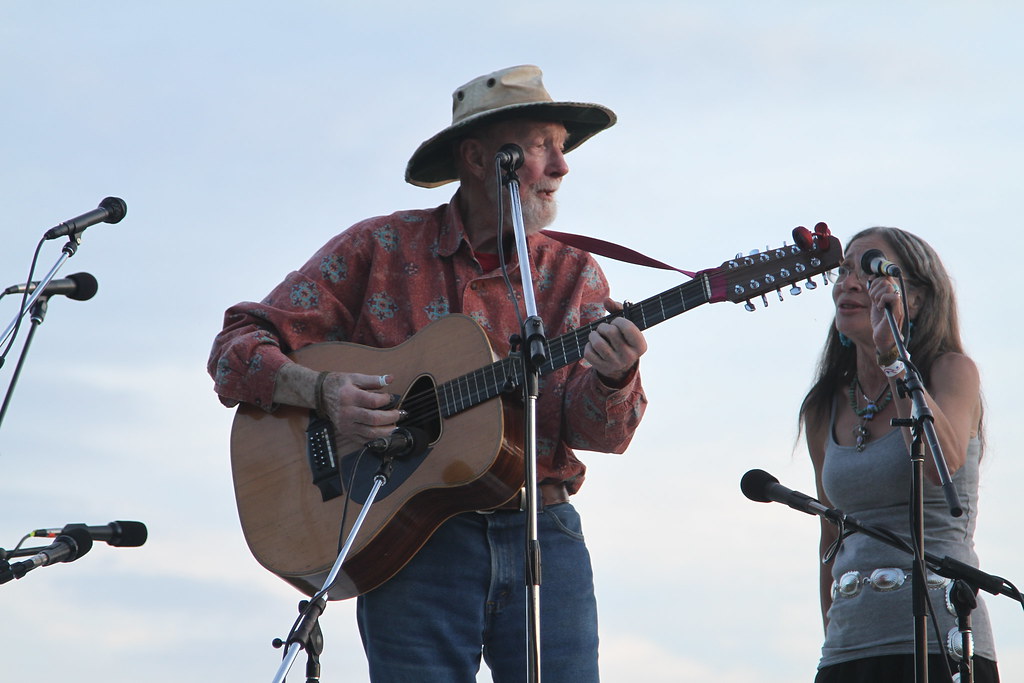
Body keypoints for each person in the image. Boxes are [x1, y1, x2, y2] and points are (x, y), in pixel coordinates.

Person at [208, 64, 648, 682]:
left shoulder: (576, 275)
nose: (561, 166)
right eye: (541, 146)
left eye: (563, 147)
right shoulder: (380, 248)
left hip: (541, 533)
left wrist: (613, 376)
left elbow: (601, 433)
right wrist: (323, 391)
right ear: (476, 157)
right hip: (410, 545)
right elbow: (236, 348)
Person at [798, 226, 999, 682]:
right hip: (849, 647)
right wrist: (834, 635)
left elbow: (938, 466)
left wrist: (894, 358)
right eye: (844, 269)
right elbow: (831, 538)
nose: (849, 282)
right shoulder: (822, 406)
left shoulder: (952, 372)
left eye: (870, 272)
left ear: (920, 299)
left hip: (939, 640)